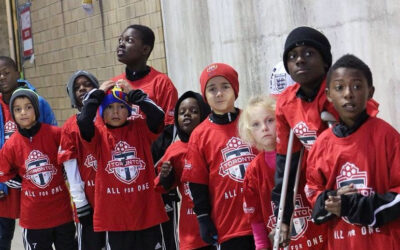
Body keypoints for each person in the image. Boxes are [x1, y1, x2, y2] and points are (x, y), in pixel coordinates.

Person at [270, 26, 380, 248]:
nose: (300, 60)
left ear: (326, 62)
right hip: (321, 181)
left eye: (309, 53)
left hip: (355, 173)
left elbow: (369, 123)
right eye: (292, 56)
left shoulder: (338, 93)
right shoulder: (286, 103)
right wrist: (283, 219)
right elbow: (286, 163)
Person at [305, 54, 400, 249]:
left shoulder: (387, 136)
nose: (348, 93)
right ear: (329, 94)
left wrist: (355, 206)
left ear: (370, 92)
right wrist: (330, 200)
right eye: (339, 87)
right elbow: (313, 194)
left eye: (357, 86)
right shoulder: (321, 145)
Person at [77, 80, 168, 249]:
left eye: (121, 106)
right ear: (102, 112)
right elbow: (83, 121)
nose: (116, 112)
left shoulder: (140, 128)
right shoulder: (98, 136)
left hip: (146, 213)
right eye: (109, 107)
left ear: (129, 110)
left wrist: (136, 95)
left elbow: (158, 116)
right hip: (115, 219)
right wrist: (97, 95)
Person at [112, 24, 179, 249]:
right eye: (121, 39)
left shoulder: (162, 83)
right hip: (127, 180)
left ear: (145, 49)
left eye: (129, 40)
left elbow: (171, 131)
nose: (121, 43)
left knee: (164, 241)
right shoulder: (115, 84)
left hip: (156, 179)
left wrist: (148, 164)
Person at [182, 63, 257, 249]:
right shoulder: (200, 135)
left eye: (225, 86)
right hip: (229, 225)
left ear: (235, 89)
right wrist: (203, 217)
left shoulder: (252, 121)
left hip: (262, 218)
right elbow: (197, 181)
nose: (219, 93)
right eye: (212, 89)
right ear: (205, 96)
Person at [0, 88, 76, 249]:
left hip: (62, 213)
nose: (23, 112)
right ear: (13, 114)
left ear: (36, 109)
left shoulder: (55, 134)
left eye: (28, 107)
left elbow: (69, 161)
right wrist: (25, 183)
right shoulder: (11, 144)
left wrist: (63, 175)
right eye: (17, 109)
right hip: (33, 217)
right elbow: (3, 173)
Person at [0, 56, 57, 250]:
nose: (2, 77)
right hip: (5, 182)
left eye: (7, 73)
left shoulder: (38, 102)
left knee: (43, 231)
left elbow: (53, 139)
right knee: (3, 234)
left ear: (18, 73)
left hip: (35, 176)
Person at [155, 91, 212, 250]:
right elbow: (163, 186)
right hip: (191, 226)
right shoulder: (174, 149)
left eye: (194, 111)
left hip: (218, 217)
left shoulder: (212, 143)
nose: (187, 115)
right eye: (182, 112)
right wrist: (166, 175)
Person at [58, 70, 105, 250]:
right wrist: (80, 202)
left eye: (87, 84)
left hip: (112, 199)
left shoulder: (109, 116)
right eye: (77, 87)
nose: (82, 89)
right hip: (89, 201)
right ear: (72, 96)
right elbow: (70, 166)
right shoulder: (70, 126)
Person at [238, 95, 276, 250]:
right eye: (256, 124)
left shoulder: (297, 155)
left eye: (270, 120)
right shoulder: (253, 171)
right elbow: (256, 218)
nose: (264, 128)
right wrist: (261, 246)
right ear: (249, 132)